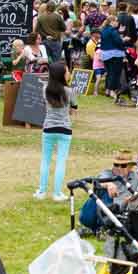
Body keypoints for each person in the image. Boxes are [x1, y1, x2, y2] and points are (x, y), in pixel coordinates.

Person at [35, 61, 76, 201]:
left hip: (48, 128)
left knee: (45, 160)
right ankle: (57, 193)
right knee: (61, 161)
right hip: (65, 129)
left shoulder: (45, 88)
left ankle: (41, 191)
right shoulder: (69, 91)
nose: (69, 73)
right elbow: (73, 108)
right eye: (67, 71)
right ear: (61, 74)